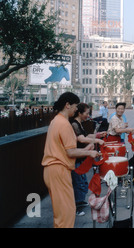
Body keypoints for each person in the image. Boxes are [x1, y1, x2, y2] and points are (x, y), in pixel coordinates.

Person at [42, 92, 100, 228]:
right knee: (67, 213)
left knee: (61, 213)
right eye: (75, 106)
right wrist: (90, 152)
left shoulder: (56, 121)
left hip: (52, 170)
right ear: (67, 105)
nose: (76, 109)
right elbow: (70, 152)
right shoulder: (64, 124)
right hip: (59, 170)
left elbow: (64, 150)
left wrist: (86, 151)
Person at [70, 103, 106, 216]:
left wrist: (98, 135)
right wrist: (96, 141)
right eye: (86, 113)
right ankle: (77, 207)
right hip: (77, 157)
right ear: (79, 113)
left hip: (82, 156)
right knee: (78, 182)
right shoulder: (74, 124)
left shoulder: (79, 123)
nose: (88, 115)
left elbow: (87, 136)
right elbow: (81, 139)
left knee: (82, 181)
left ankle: (81, 201)